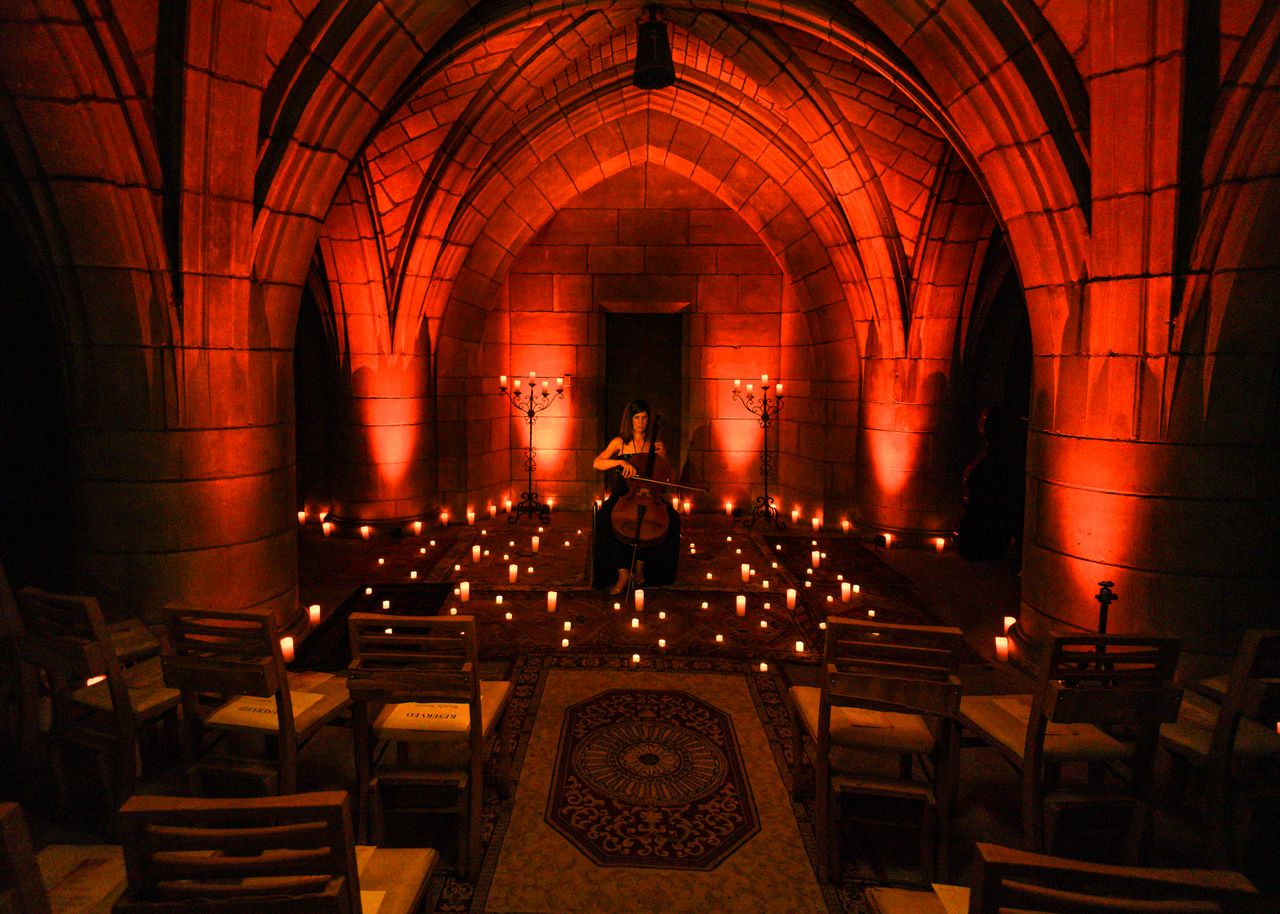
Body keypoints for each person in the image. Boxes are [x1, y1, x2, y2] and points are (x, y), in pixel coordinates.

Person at [591, 400, 681, 594]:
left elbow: (669, 479)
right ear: (630, 420)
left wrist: (664, 458)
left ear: (648, 420)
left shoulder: (654, 445)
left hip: (650, 495)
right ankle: (622, 571)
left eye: (644, 418)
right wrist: (620, 464)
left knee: (671, 520)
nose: (641, 422)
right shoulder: (620, 442)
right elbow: (597, 462)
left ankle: (641, 565)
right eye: (636, 418)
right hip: (624, 493)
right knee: (604, 517)